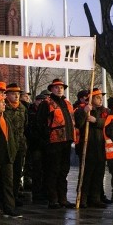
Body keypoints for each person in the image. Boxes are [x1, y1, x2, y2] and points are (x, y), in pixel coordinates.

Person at [36, 78, 75, 209]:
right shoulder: (46, 103)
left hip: (66, 141)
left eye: (61, 88)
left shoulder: (67, 103)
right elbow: (40, 123)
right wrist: (46, 140)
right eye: (57, 87)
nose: (59, 89)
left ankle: (62, 198)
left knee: (63, 171)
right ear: (51, 89)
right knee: (52, 171)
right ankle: (53, 199)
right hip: (53, 143)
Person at [73, 87, 107, 209]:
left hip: (100, 147)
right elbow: (79, 124)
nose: (100, 99)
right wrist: (84, 112)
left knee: (98, 174)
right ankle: (82, 199)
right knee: (86, 174)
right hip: (87, 147)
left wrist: (96, 120)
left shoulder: (104, 111)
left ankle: (95, 198)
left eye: (101, 97)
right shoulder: (81, 110)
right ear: (90, 99)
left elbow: (108, 123)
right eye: (98, 97)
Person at [3, 83, 28, 205]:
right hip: (7, 145)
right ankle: (5, 198)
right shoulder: (3, 108)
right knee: (7, 174)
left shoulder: (23, 108)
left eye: (18, 94)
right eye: (13, 94)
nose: (16, 96)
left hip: (20, 145)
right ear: (7, 95)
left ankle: (15, 195)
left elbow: (26, 126)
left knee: (18, 172)